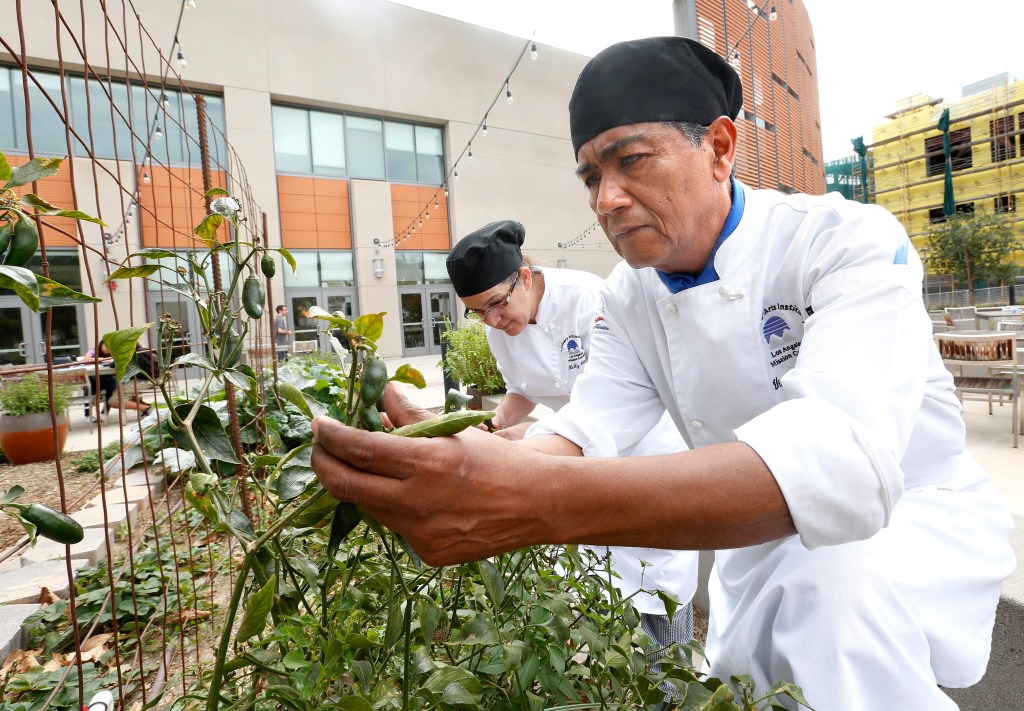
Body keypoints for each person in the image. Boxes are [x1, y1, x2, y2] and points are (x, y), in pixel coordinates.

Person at [310, 37, 1015, 710]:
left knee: (834, 621)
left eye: (631, 161)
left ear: (718, 147)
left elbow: (843, 466)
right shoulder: (629, 295)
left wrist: (530, 500)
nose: (605, 199)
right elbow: (585, 427)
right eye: (591, 176)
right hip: (755, 550)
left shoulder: (842, 241)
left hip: (898, 530)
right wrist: (465, 452)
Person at [447, 218, 699, 672]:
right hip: (571, 456)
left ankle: (673, 682)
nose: (493, 320)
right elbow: (524, 387)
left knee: (658, 577)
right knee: (596, 581)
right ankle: (617, 682)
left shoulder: (588, 299)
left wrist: (529, 439)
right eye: (478, 312)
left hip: (641, 450)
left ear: (524, 276)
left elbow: (610, 396)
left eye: (497, 305)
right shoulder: (498, 331)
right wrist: (497, 421)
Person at [79, 339, 151, 420]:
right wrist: (102, 359)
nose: (108, 349)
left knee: (113, 388)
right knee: (90, 390)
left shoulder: (117, 352)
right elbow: (86, 359)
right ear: (100, 345)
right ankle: (87, 414)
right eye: (106, 346)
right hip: (94, 379)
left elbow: (115, 364)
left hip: (109, 377)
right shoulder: (94, 351)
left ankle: (105, 412)